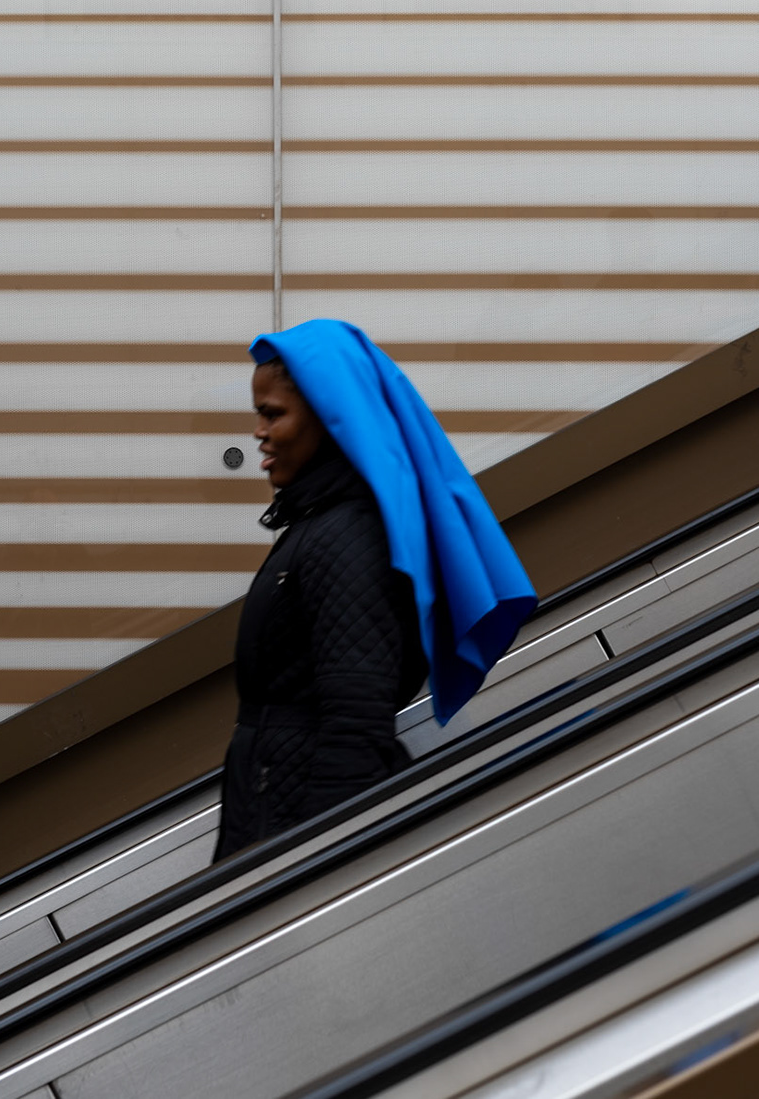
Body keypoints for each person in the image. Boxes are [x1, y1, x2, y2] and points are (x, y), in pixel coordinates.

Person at [215, 319, 536, 859]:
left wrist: (313, 868)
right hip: (275, 807)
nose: (258, 432)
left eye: (272, 414)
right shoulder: (321, 523)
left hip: (294, 833)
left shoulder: (349, 537)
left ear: (329, 418)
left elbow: (355, 726)